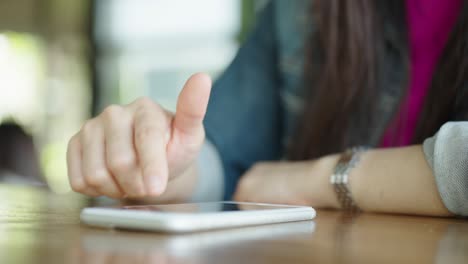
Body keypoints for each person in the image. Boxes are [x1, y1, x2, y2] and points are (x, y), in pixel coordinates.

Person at [67, 0, 468, 217]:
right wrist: (167, 165)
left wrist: (317, 180)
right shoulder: (298, 10)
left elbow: (265, 184)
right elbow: (226, 161)